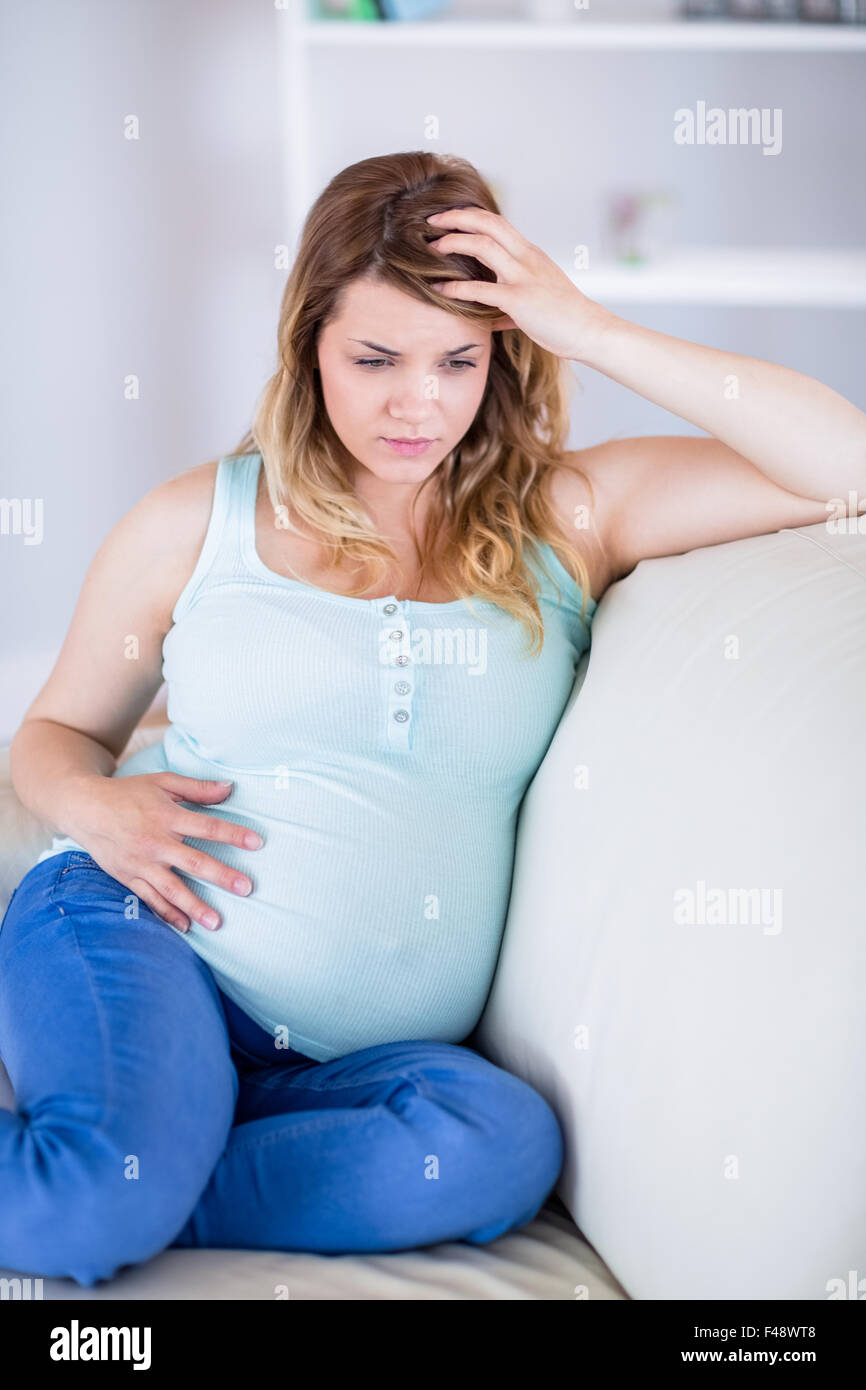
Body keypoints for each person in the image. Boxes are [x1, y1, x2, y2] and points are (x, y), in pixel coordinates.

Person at [1, 151, 858, 1288]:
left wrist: (583, 323)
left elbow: (843, 462)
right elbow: (52, 734)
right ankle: (120, 1175)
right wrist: (96, 807)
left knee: (498, 1142)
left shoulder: (567, 515)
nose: (420, 402)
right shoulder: (192, 525)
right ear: (308, 345)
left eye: (458, 358)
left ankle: (150, 1173)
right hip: (147, 938)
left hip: (358, 1068)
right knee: (82, 1203)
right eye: (374, 358)